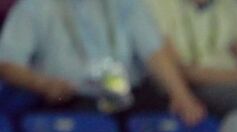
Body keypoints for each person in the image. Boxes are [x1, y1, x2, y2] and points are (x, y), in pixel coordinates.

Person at [0, 0, 207, 124]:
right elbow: (7, 63)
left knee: (177, 121)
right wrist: (41, 84)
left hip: (127, 93)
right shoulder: (34, 6)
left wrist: (181, 95)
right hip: (69, 96)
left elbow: (154, 51)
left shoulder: (126, 4)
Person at [146, 0, 237, 115]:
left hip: (233, 77)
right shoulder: (158, 4)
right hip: (187, 85)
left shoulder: (230, 3)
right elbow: (178, 69)